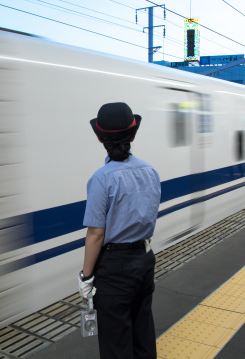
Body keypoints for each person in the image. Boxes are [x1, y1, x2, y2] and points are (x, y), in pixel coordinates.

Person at [78, 102, 161, 359]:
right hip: (145, 261)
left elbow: (96, 234)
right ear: (133, 135)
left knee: (116, 343)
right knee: (143, 330)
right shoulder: (150, 171)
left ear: (99, 138)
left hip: (115, 269)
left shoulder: (102, 178)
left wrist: (86, 276)